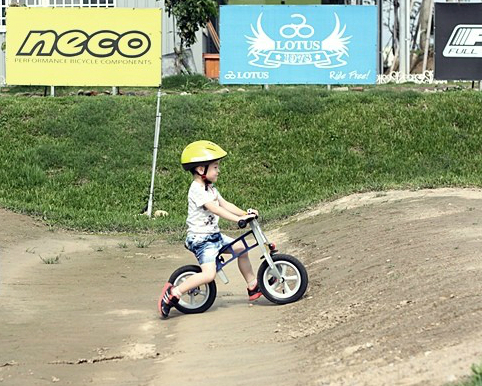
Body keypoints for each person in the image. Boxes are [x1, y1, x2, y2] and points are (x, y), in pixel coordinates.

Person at [159, 140, 261, 319]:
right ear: (200, 170)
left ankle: (253, 285)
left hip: (214, 237)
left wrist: (245, 213)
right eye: (215, 167)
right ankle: (175, 292)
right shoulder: (196, 190)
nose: (218, 170)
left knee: (242, 249)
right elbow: (215, 209)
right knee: (208, 274)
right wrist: (238, 220)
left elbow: (224, 204)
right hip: (201, 240)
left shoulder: (210, 188)